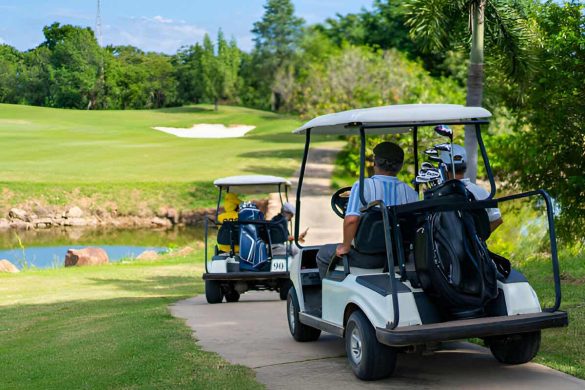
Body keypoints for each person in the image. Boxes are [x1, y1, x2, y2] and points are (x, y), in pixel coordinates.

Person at [316, 142, 418, 278]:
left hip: (368, 258)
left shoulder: (363, 187)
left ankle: (328, 296)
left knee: (323, 254)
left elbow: (351, 220)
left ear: (375, 163)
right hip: (400, 257)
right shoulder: (411, 193)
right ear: (400, 166)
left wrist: (345, 246)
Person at [440, 144, 503, 232]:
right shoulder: (481, 192)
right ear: (464, 166)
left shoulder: (438, 194)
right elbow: (497, 219)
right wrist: (477, 239)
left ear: (444, 168)